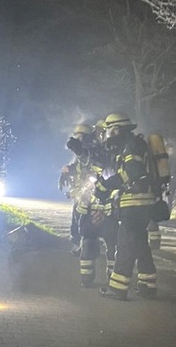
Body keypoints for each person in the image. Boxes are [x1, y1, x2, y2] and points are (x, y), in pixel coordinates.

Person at [96, 113, 158, 301]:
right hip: (142, 202)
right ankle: (148, 284)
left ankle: (118, 288)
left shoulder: (131, 146)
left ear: (117, 129)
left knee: (125, 244)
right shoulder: (134, 145)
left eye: (109, 130)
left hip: (135, 203)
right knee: (140, 244)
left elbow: (133, 172)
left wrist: (106, 185)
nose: (108, 135)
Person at [59, 122, 116, 287]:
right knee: (86, 238)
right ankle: (87, 277)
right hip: (85, 201)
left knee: (111, 242)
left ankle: (113, 278)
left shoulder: (98, 150)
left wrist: (80, 151)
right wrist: (67, 171)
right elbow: (81, 165)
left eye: (81, 136)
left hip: (105, 203)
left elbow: (94, 162)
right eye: (77, 136)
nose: (79, 139)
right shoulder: (85, 151)